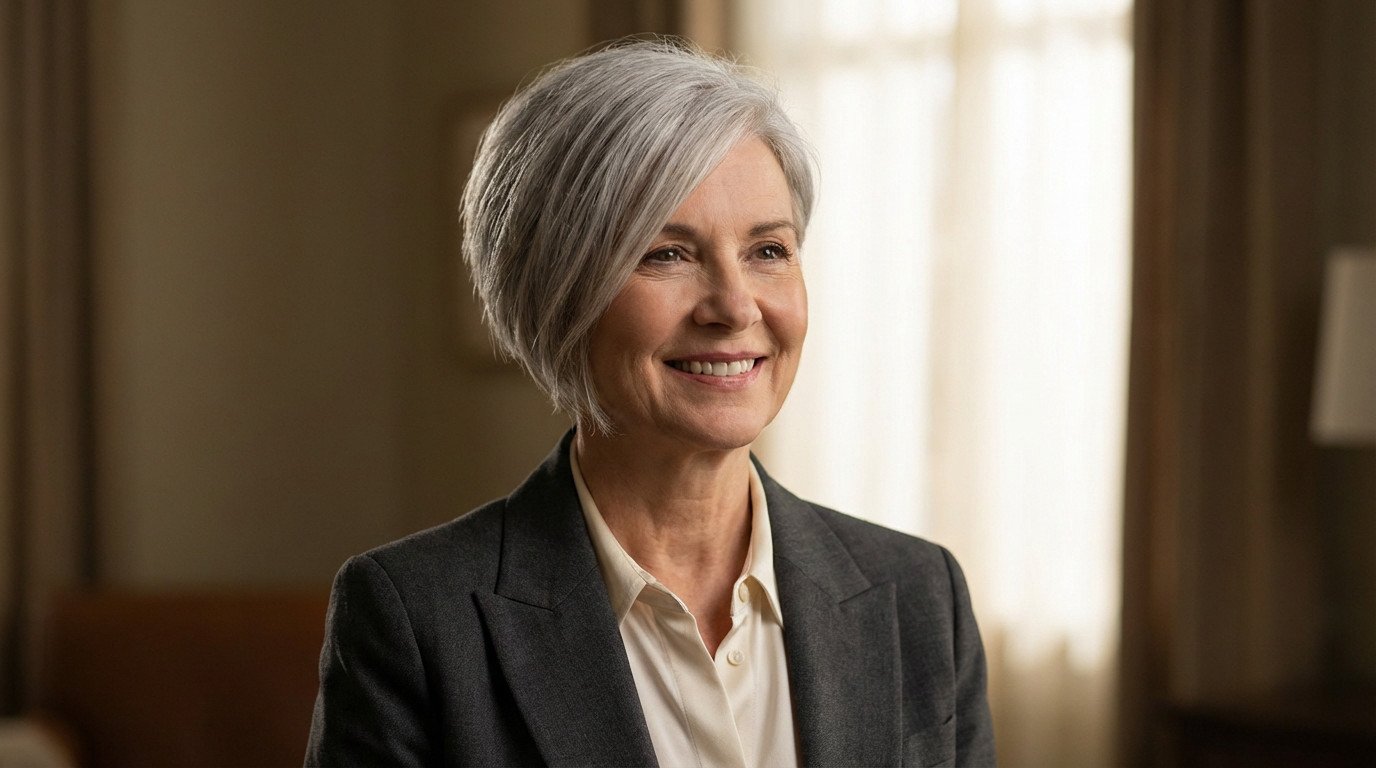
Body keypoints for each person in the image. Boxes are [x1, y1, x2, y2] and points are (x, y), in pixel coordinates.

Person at [306, 39, 994, 768]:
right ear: (556, 292)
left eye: (768, 250)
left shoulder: (919, 596)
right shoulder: (415, 616)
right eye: (667, 253)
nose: (734, 306)